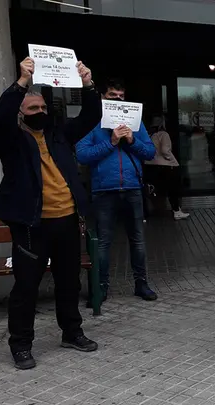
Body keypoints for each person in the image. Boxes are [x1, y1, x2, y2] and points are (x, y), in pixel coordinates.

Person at [0, 57, 100, 370]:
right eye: (32, 108)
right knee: (26, 287)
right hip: (31, 226)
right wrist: (22, 81)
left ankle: (72, 332)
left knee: (69, 282)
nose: (39, 112)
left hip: (66, 221)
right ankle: (21, 344)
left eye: (42, 107)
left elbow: (91, 116)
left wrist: (88, 84)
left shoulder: (59, 134)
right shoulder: (10, 140)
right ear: (21, 113)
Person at [75, 79, 158, 304]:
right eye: (113, 95)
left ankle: (141, 284)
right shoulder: (93, 122)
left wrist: (131, 140)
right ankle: (101, 287)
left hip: (132, 188)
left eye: (121, 96)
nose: (118, 99)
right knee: (103, 242)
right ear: (102, 97)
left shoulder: (135, 123)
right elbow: (81, 154)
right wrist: (111, 142)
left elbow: (150, 152)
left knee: (138, 240)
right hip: (104, 190)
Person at [146, 115, 189, 220]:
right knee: (173, 189)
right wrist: (170, 158)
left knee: (152, 189)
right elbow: (165, 150)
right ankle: (177, 211)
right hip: (166, 166)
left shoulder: (150, 135)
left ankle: (146, 213)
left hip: (151, 164)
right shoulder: (164, 134)